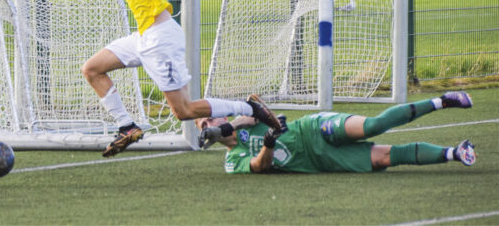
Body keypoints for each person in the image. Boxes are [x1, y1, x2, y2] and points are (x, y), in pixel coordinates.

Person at [64, 0, 282, 157]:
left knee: (184, 111)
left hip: (161, 39)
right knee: (91, 69)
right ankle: (127, 126)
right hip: (144, 36)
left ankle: (250, 108)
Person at [196, 91, 477, 173]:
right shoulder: (232, 162)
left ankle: (442, 101)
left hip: (314, 129)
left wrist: (229, 125)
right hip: (319, 161)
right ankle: (455, 152)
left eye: (208, 119)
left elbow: (253, 106)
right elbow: (259, 166)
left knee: (373, 125)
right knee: (386, 157)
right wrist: (268, 143)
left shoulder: (244, 116)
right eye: (202, 125)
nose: (206, 125)